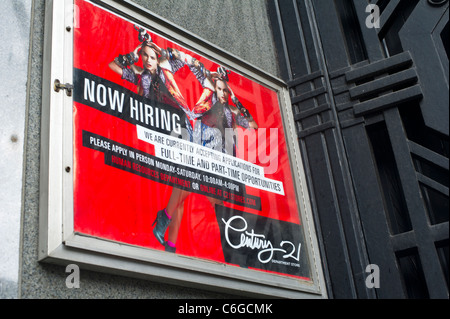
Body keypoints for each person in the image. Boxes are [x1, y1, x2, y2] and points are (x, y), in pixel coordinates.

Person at [151, 47, 258, 253]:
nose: (222, 93)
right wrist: (180, 56)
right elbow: (197, 68)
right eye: (219, 89)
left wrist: (235, 98)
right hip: (204, 151)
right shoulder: (209, 101)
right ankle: (170, 240)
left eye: (225, 90)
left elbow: (252, 125)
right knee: (184, 185)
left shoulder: (232, 111)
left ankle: (166, 224)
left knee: (207, 198)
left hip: (224, 162)